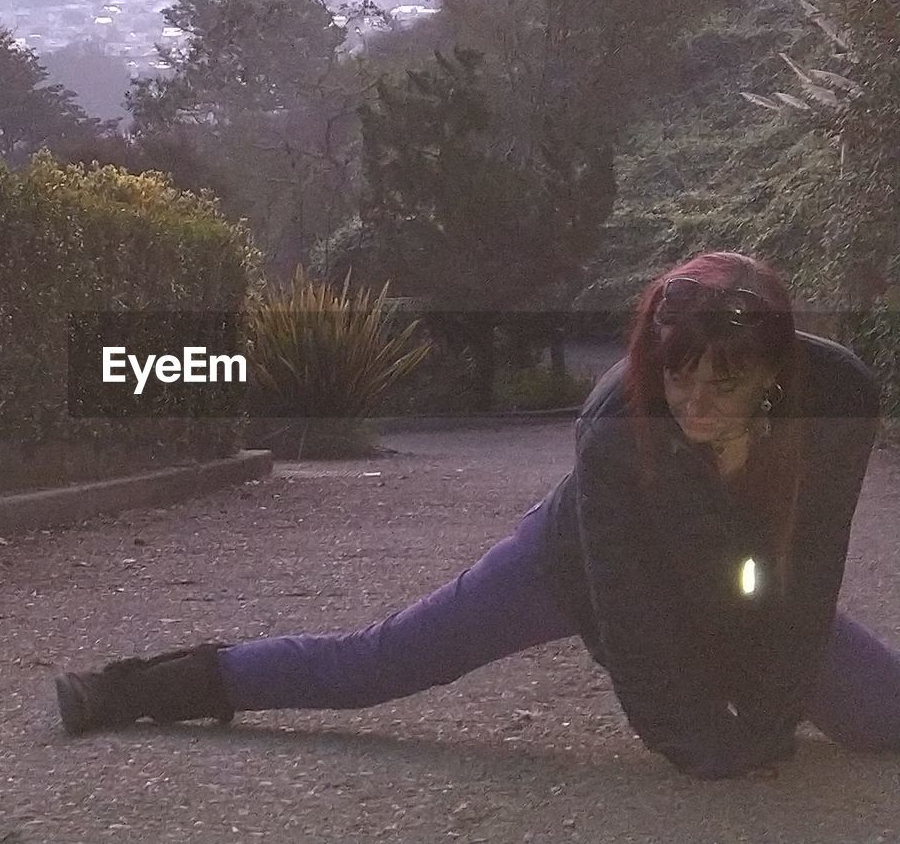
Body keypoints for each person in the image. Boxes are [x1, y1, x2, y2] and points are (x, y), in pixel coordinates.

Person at [55, 251, 897, 780]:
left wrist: (773, 722)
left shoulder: (838, 399)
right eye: (679, 378)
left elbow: (808, 572)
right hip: (577, 566)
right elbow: (632, 618)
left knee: (882, 715)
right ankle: (136, 688)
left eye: (726, 383)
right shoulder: (612, 428)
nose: (695, 404)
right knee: (375, 663)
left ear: (773, 373)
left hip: (737, 579)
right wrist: (708, 748)